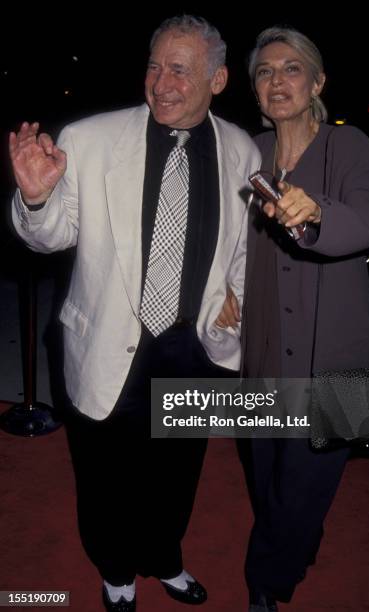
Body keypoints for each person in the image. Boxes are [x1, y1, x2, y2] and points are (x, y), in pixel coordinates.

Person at [9, 15, 260, 612]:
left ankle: (164, 557)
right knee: (104, 474)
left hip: (195, 346)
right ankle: (116, 570)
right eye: (154, 65)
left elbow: (248, 248)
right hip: (108, 340)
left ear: (218, 79)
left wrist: (238, 299)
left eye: (181, 69)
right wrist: (36, 198)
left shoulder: (242, 149)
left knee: (178, 469)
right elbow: (49, 237)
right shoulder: (91, 138)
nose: (161, 82)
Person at [217, 26, 369, 612]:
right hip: (265, 348)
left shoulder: (353, 147)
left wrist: (318, 213)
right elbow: (224, 236)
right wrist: (223, 288)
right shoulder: (250, 153)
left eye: (291, 68)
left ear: (317, 82)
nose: (277, 80)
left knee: (308, 484)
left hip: (343, 355)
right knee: (266, 467)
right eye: (264, 72)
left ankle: (267, 583)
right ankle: (293, 544)